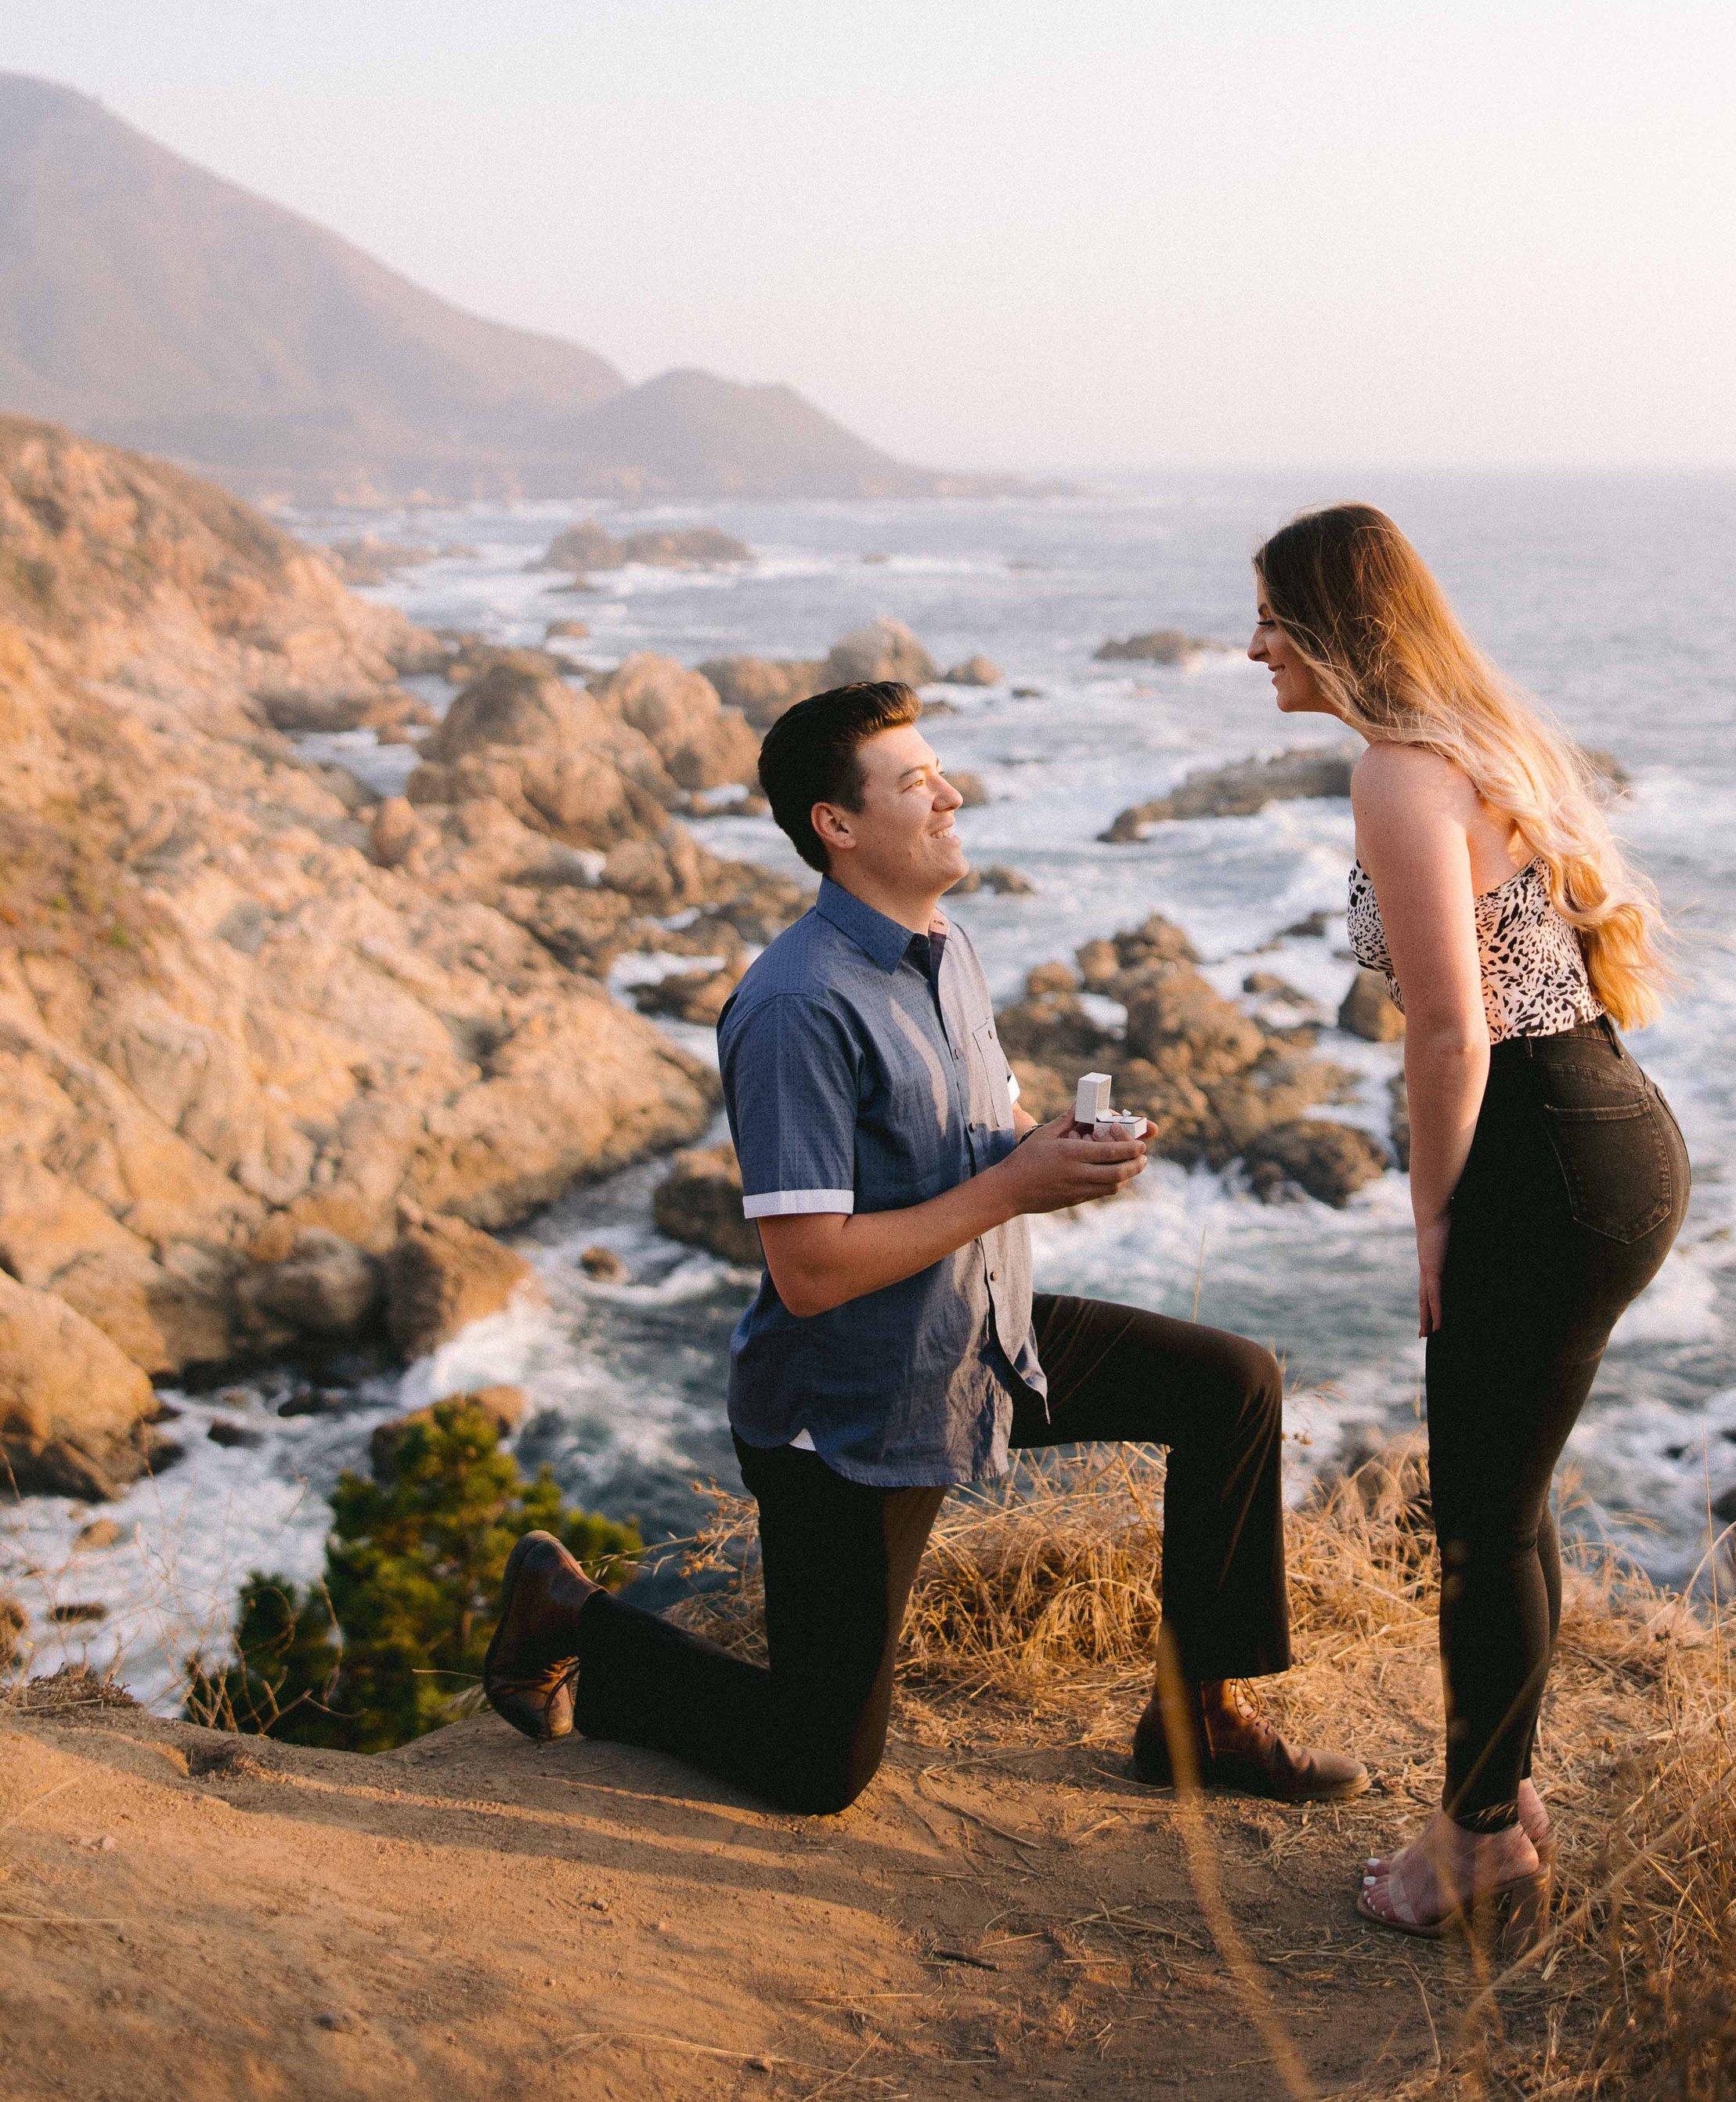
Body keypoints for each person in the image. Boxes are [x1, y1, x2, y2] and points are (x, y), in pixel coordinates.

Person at [484, 677, 1362, 1818]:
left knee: (1229, 1384)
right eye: (915, 783)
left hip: (980, 1340)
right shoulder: (796, 1005)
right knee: (818, 1767)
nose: (951, 793)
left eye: (939, 770)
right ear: (836, 827)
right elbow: (811, 1271)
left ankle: (1196, 1721)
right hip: (850, 1414)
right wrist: (1011, 1183)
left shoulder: (947, 948)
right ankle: (570, 1613)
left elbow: (961, 1149)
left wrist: (1052, 1155)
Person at [1249, 505, 1687, 1937]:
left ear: (1330, 626)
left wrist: (1434, 1214)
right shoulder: (1477, 743)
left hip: (1546, 1156)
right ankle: (1502, 1800)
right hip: (1613, 1129)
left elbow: (1451, 1031)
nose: (1251, 645)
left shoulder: (1396, 770)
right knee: (1507, 1499)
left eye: (1271, 617)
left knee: (1480, 1517)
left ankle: (1479, 1840)